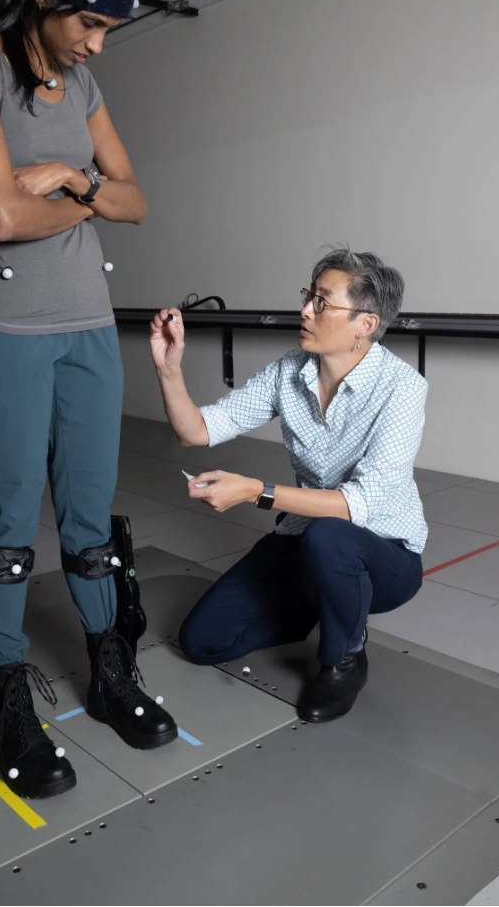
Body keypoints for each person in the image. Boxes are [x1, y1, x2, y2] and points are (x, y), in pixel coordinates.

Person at [0, 0, 177, 800]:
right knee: (8, 528)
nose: (98, 45)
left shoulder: (80, 89)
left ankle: (110, 669)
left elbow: (137, 199)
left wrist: (70, 182)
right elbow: (1, 217)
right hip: (2, 327)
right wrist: (80, 194)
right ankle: (5, 695)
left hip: (85, 327)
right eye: (89, 23)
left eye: (109, 28)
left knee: (88, 520)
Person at [150, 248, 427, 723]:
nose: (305, 310)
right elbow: (196, 430)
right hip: (307, 542)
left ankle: (345, 658)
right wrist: (168, 369)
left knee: (329, 535)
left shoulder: (403, 388)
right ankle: (328, 601)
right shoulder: (289, 371)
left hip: (387, 556)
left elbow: (358, 503)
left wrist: (255, 491)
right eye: (308, 296)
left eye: (323, 302)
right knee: (203, 642)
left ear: (365, 324)